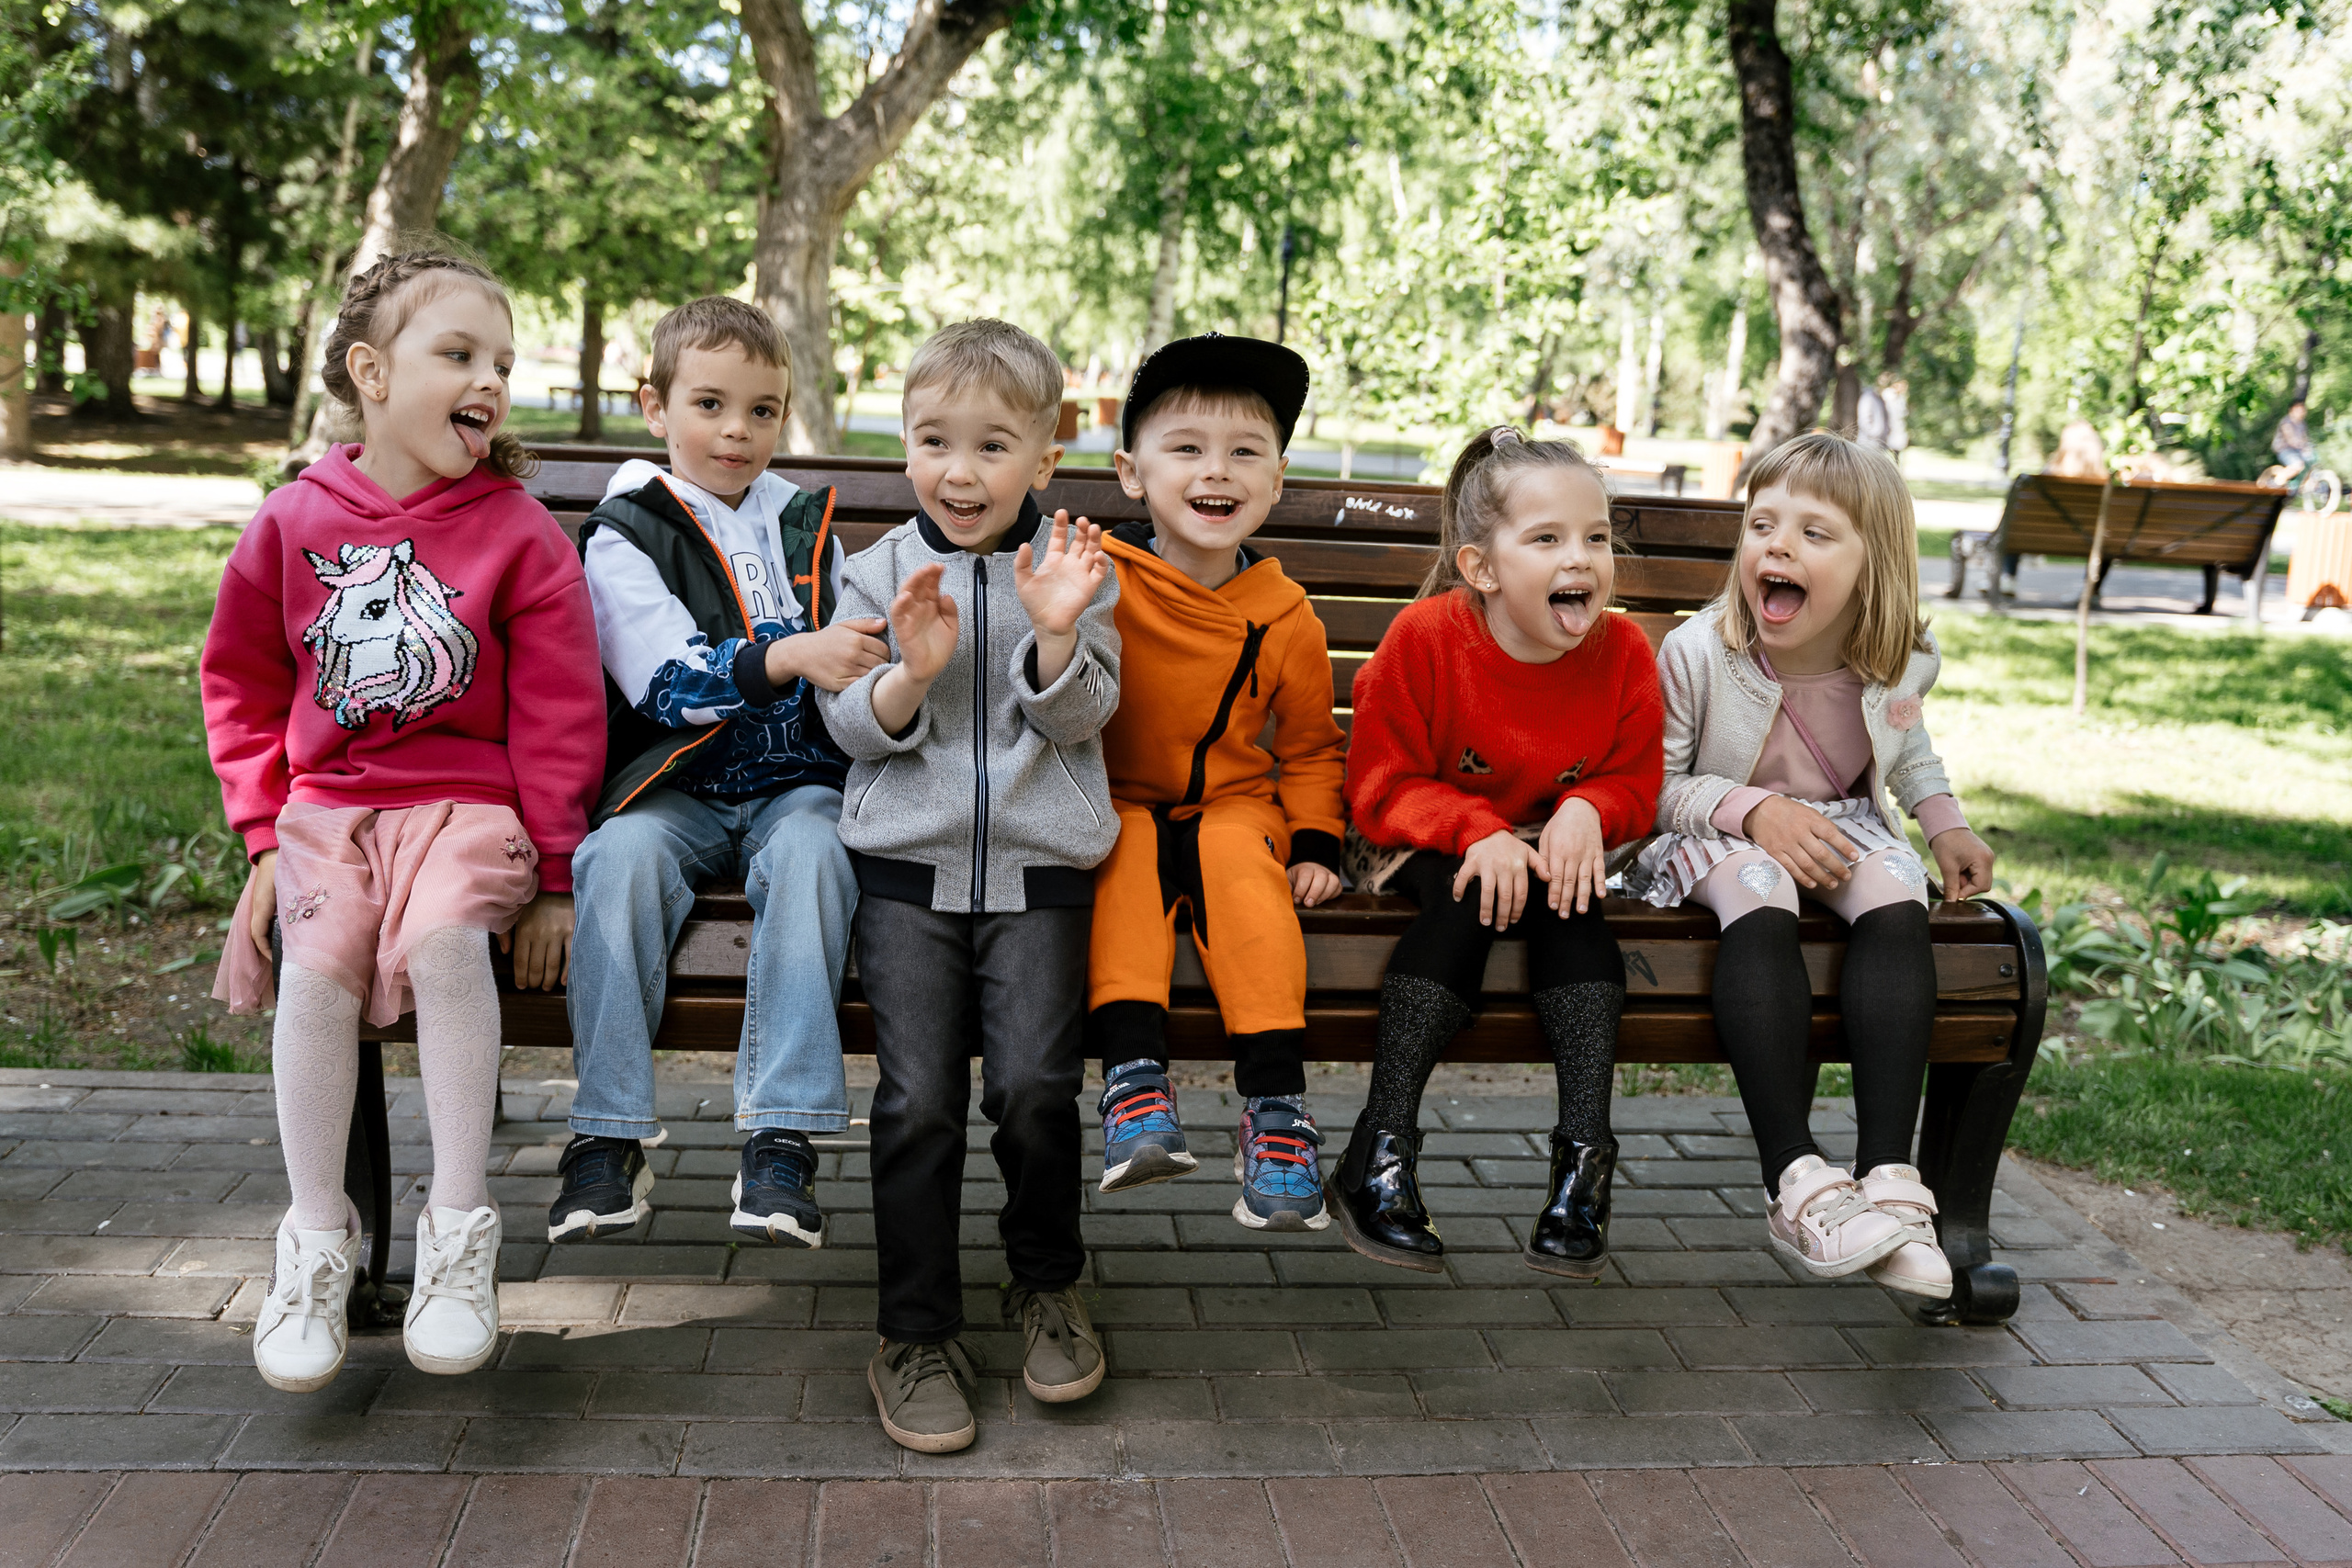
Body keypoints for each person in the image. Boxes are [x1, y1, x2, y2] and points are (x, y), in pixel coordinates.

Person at [204, 246, 605, 1391]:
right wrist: (264, 834)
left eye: (503, 364)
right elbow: (237, 683)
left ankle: (461, 1236)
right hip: (328, 812)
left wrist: (560, 869)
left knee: (443, 949)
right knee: (317, 972)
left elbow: (559, 710)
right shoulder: (291, 522)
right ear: (372, 373)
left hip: (471, 810)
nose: (490, 380)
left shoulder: (520, 533)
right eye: (460, 354)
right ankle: (316, 1242)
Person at [812, 320, 1121, 1454]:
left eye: (992, 446)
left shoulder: (1078, 570)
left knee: (1038, 1089)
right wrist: (909, 677)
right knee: (918, 1102)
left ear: (1044, 458)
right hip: (906, 871)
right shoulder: (875, 572)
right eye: (933, 440)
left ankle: (1045, 1285)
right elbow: (846, 721)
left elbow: (1088, 717)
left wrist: (1050, 640)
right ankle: (914, 1330)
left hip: (1040, 868)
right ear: (904, 447)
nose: (959, 469)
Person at [1629, 431, 1997, 1300]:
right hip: (1715, 827)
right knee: (1762, 889)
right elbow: (1654, 788)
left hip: (1836, 824)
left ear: (1876, 567)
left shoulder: (1902, 659)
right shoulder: (1696, 654)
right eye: (1762, 525)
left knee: (1897, 885)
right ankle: (1795, 1177)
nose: (1778, 546)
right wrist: (1755, 809)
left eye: (1814, 533)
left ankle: (1888, 1184)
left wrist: (1944, 824)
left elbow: (1909, 758)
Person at [552, 297, 887, 1250]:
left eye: (763, 410)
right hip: (676, 789)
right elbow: (666, 684)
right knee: (615, 862)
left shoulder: (804, 526)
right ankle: (606, 1135)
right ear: (654, 407)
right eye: (710, 404)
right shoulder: (627, 531)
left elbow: (856, 648)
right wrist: (788, 658)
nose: (738, 432)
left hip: (795, 788)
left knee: (823, 853)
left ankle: (780, 1137)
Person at [1332, 427, 1663, 1279]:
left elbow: (1636, 778)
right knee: (1470, 893)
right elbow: (1381, 782)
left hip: (1546, 846)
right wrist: (1477, 831)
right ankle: (1380, 1151)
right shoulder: (1427, 640)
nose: (1580, 558)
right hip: (1418, 837)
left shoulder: (1623, 653)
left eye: (1596, 537)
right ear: (1482, 568)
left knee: (1575, 902)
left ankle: (1585, 1164)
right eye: (1547, 539)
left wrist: (1591, 806)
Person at [1085, 333, 1349, 1232]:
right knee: (1120, 855)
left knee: (1244, 870)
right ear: (1132, 472)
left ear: (1276, 482)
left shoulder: (1285, 614)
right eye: (1187, 448)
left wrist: (1315, 839)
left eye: (1245, 453)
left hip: (1233, 803)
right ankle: (1132, 1090)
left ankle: (1277, 1111)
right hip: (1112, 797)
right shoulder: (1095, 580)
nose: (1217, 472)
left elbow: (1311, 748)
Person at [2275, 400, 2317, 478]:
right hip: (2285, 450)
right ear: (2292, 410)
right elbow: (2291, 439)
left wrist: (2310, 446)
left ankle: (2304, 484)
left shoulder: (2302, 423)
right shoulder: (2286, 422)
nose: (2302, 412)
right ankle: (2277, 481)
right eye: (2299, 409)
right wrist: (2302, 444)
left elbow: (2305, 438)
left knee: (2312, 462)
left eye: (2303, 409)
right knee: (2298, 464)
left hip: (2298, 450)